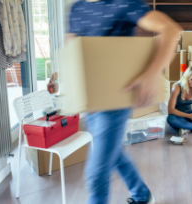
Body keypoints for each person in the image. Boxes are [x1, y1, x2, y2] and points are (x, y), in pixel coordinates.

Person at [66, 0, 182, 204]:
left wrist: (152, 73)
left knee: (95, 175)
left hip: (115, 100)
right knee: (114, 154)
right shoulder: (77, 8)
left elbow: (171, 30)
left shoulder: (124, 3)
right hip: (91, 103)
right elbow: (72, 49)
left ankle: (141, 194)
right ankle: (142, 194)